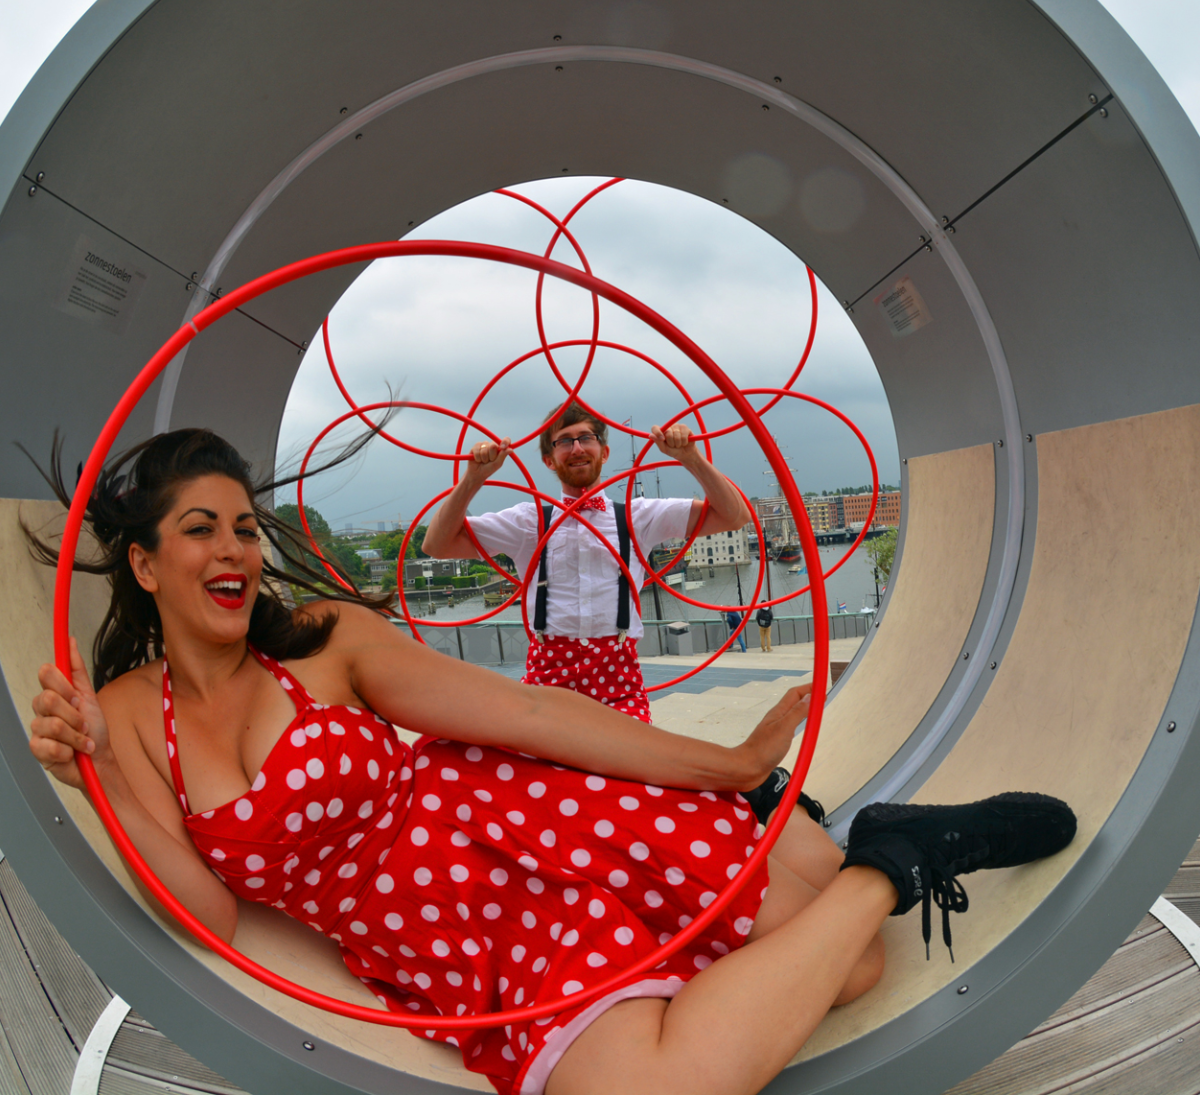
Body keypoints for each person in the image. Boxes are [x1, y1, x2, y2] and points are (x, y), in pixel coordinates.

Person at [29, 429, 1077, 1095]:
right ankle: (895, 858)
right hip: (448, 939)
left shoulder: (322, 637)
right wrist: (104, 781)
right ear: (143, 559)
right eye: (200, 530)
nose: (234, 552)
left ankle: (832, 838)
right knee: (786, 1000)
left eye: (247, 529)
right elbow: (207, 914)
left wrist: (719, 767)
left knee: (851, 968)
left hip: (516, 817)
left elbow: (523, 712)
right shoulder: (128, 715)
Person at [424, 403, 749, 727]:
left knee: (628, 774)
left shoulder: (639, 517)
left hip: (619, 688)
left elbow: (734, 516)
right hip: (546, 688)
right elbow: (437, 545)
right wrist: (473, 478)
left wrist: (691, 458)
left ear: (604, 452)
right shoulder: (529, 521)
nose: (577, 447)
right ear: (548, 460)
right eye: (564, 440)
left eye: (586, 438)